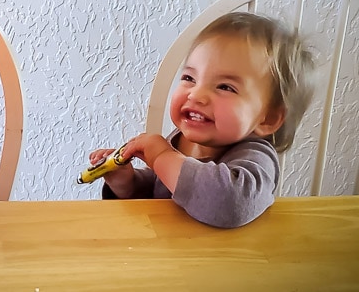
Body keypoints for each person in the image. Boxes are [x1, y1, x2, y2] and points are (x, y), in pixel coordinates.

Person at [88, 11, 316, 228]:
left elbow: (229, 204)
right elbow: (166, 191)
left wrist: (161, 155)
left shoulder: (256, 158)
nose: (196, 94)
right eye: (189, 77)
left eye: (225, 87)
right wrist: (128, 183)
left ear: (268, 118)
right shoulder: (182, 140)